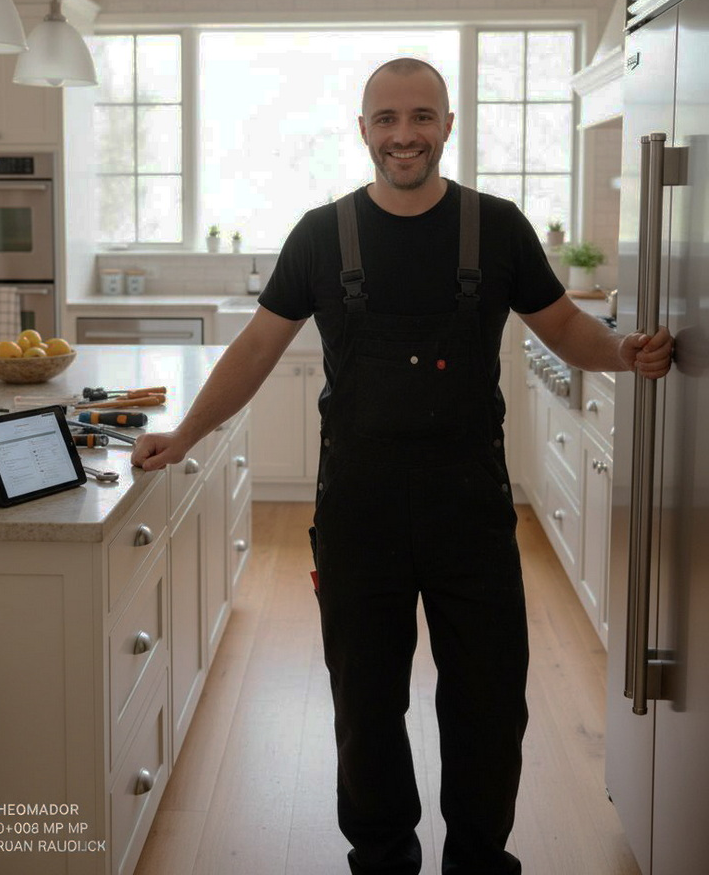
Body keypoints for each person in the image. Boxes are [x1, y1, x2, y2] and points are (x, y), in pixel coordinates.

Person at [130, 57, 672, 875]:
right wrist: (186, 433)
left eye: (422, 116)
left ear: (448, 124)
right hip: (359, 514)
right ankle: (383, 861)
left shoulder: (498, 226)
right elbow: (258, 347)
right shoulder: (321, 234)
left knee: (490, 705)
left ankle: (479, 862)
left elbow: (563, 326)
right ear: (364, 130)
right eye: (387, 118)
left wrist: (622, 353)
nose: (404, 134)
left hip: (472, 512)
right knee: (366, 709)